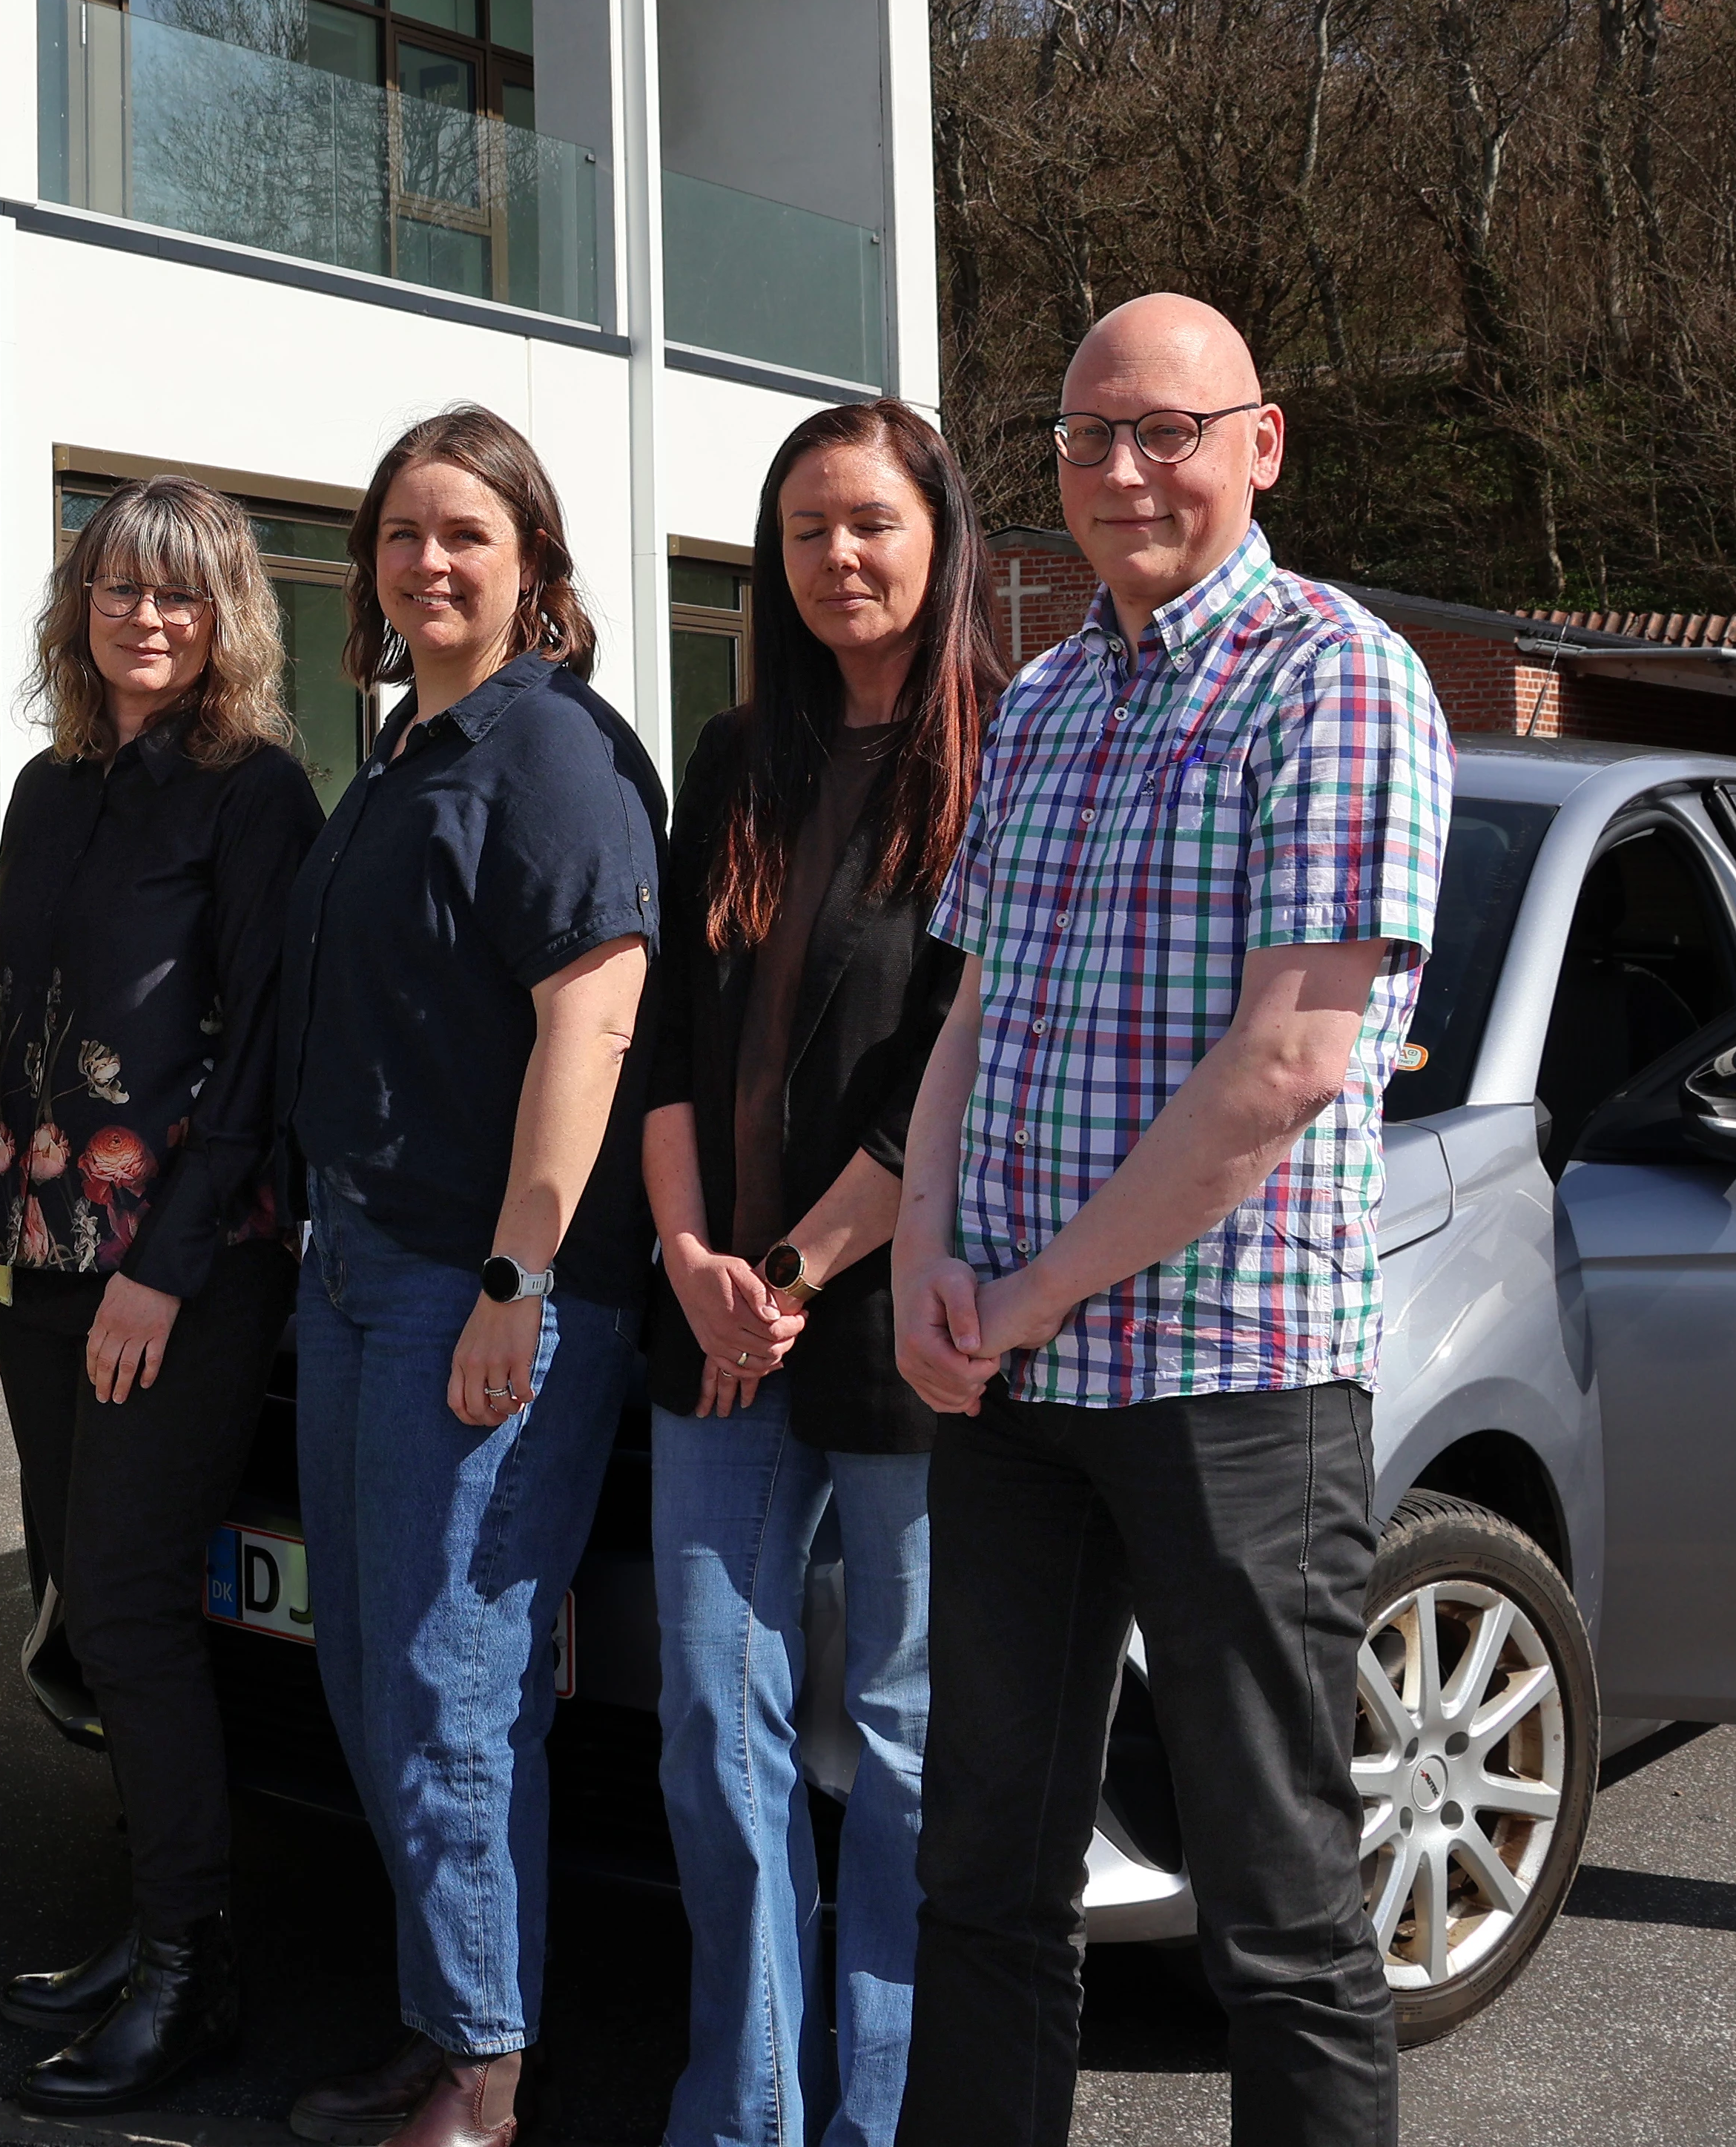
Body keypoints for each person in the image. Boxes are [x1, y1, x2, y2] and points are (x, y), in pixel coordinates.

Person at [888, 295, 1450, 2147]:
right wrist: (916, 1266)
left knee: (1277, 1907)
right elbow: (972, 1007)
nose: (1119, 472)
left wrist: (1026, 1287)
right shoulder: (1044, 693)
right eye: (1080, 438)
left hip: (1230, 1374)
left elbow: (1284, 1062)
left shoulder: (1334, 677)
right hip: (1008, 1379)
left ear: (1259, 442)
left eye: (1165, 430)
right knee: (979, 1869)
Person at [275, 406, 670, 2147]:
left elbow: (588, 1026)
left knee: (453, 1681)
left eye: (464, 534)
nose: (427, 563)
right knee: (370, 1663)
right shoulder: (400, 748)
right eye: (400, 535)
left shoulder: (552, 754)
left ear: (533, 562)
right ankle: (444, 2016)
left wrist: (516, 1276)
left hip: (480, 1281)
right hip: (355, 1264)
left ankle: (486, 2071)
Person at [641, 403, 997, 2147]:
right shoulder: (732, 759)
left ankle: (880, 2115)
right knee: (712, 1722)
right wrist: (691, 1253)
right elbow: (660, 1043)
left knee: (907, 1749)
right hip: (711, 1322)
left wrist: (776, 1272)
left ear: (937, 538)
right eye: (802, 532)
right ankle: (748, 2109)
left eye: (868, 523)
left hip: (892, 1328)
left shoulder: (999, 757)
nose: (836, 559)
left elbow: (951, 1062)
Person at [0, 478, 323, 2112]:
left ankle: (196, 1969)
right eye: (118, 586)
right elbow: (20, 1016)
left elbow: (256, 1060)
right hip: (36, 1260)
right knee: (85, 1603)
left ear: (226, 610)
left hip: (176, 1270)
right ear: (80, 601)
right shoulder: (49, 784)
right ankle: (149, 1916)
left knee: (124, 1604)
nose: (145, 616)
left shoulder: (255, 795)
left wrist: (158, 1271)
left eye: (179, 593)